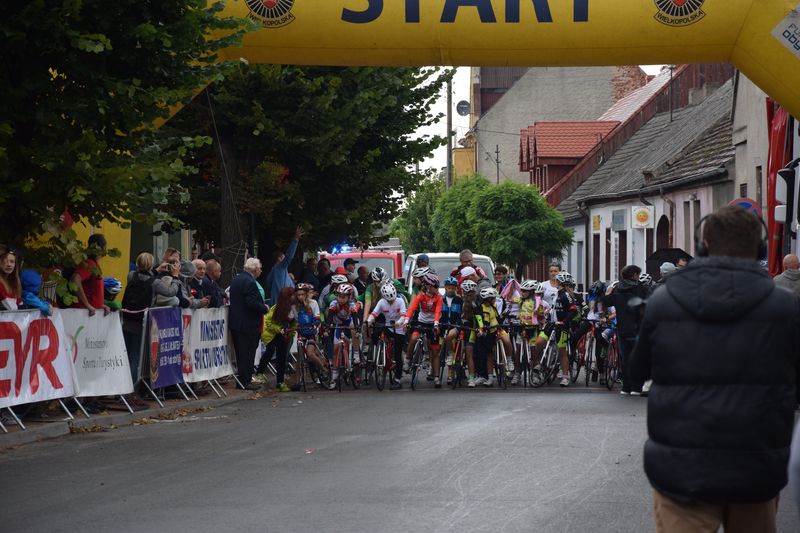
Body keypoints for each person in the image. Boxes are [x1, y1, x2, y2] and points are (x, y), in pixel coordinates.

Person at [630, 206, 799, 532]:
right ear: (760, 249)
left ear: (703, 246)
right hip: (757, 469)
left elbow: (636, 373)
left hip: (681, 471)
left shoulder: (664, 301)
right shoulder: (785, 307)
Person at [120, 252, 158, 409]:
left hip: (127, 318)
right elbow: (168, 292)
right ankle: (132, 390)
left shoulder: (131, 276)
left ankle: (122, 387)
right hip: (140, 321)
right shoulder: (153, 281)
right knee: (135, 356)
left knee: (126, 354)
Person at [605, 264, 648, 395]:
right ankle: (636, 387)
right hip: (637, 328)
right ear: (634, 275)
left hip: (622, 328)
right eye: (638, 275)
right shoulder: (641, 289)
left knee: (625, 358)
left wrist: (608, 293)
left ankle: (626, 387)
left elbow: (607, 302)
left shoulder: (618, 289)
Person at [229, 258, 269, 390]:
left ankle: (243, 380)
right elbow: (251, 302)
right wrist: (264, 308)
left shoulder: (237, 279)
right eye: (260, 269)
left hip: (237, 323)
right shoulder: (250, 282)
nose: (260, 271)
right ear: (255, 269)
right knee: (248, 353)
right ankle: (245, 380)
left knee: (242, 353)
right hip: (248, 324)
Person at [400, 272, 444, 387]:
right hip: (421, 321)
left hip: (433, 323)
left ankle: (436, 377)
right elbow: (412, 308)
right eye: (435, 287)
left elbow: (438, 311)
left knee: (434, 350)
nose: (437, 289)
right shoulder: (421, 295)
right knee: (414, 337)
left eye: (437, 287)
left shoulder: (439, 297)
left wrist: (435, 324)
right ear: (429, 286)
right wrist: (406, 321)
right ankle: (408, 359)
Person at [367, 282, 408, 390]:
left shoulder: (400, 301)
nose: (391, 301)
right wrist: (369, 320)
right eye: (389, 300)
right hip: (388, 325)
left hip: (399, 327)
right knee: (376, 332)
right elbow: (374, 313)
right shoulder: (381, 302)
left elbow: (404, 315)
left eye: (393, 299)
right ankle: (377, 352)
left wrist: (399, 322)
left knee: (398, 353)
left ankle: (398, 379)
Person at [256, 287, 296, 392]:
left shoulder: (294, 308)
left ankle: (280, 382)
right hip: (270, 333)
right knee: (270, 350)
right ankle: (259, 372)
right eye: (292, 295)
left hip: (283, 334)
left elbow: (294, 322)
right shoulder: (276, 308)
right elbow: (268, 322)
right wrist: (279, 329)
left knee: (281, 358)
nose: (294, 296)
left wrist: (290, 334)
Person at [288, 283, 327, 389]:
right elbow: (289, 319)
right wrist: (285, 327)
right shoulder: (294, 306)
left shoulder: (313, 303)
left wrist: (315, 324)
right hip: (301, 332)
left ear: (306, 294)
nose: (300, 297)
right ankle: (297, 382)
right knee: (299, 358)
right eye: (298, 295)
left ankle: (324, 370)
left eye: (302, 294)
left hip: (312, 333)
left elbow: (317, 317)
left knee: (310, 354)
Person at [324, 284, 363, 390]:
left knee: (354, 330)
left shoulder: (352, 305)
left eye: (344, 297)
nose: (340, 299)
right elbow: (329, 318)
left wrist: (358, 328)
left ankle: (355, 354)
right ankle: (334, 377)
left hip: (350, 323)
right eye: (339, 296)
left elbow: (355, 319)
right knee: (336, 350)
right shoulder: (333, 304)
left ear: (349, 297)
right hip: (339, 324)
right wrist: (327, 328)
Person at [71, 234, 111, 316]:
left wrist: (100, 305)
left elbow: (91, 290)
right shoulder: (90, 264)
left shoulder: (94, 265)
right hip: (82, 314)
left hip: (89, 314)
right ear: (102, 248)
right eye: (105, 246)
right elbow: (75, 279)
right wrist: (87, 305)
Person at [266, 226, 304, 306]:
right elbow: (289, 256)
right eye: (283, 258)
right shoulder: (280, 267)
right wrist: (296, 239)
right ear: (279, 259)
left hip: (276, 305)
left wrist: (290, 279)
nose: (285, 261)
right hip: (283, 306)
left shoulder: (274, 271)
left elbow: (270, 283)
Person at [459, 280, 485, 388]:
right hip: (461, 327)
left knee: (469, 352)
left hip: (471, 329)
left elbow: (479, 317)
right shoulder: (459, 300)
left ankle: (471, 378)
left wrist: (481, 328)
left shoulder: (474, 304)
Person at [0, 245, 22, 310]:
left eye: (12, 261)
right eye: (5, 261)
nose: (9, 264)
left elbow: (20, 304)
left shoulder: (13, 283)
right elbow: (12, 308)